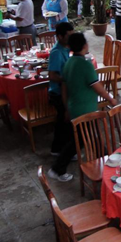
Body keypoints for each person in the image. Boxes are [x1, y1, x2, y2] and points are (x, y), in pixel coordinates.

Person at [47, 32, 117, 182]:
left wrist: (67, 108)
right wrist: (110, 99)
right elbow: (97, 87)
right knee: (81, 140)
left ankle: (109, 162)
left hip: (74, 107)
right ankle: (57, 169)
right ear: (85, 45)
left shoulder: (68, 63)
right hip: (86, 110)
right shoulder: (86, 65)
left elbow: (64, 89)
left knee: (86, 138)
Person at [48, 22, 74, 157]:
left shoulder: (66, 48)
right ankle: (58, 149)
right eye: (68, 36)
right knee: (64, 121)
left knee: (65, 122)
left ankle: (62, 148)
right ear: (59, 37)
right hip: (57, 93)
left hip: (64, 91)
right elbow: (52, 75)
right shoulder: (56, 52)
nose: (71, 39)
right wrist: (66, 80)